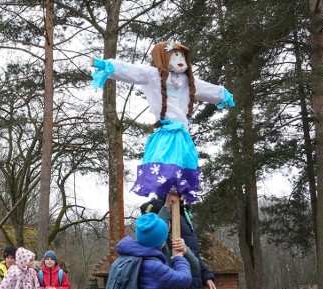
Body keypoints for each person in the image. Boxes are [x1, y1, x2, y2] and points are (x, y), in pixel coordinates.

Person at [90, 41, 234, 204]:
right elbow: (132, 71)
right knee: (164, 165)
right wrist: (108, 65)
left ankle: (177, 195)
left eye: (181, 55)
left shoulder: (188, 81)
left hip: (182, 134)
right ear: (163, 57)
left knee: (184, 164)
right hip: (166, 133)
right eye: (175, 55)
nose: (179, 59)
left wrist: (222, 94)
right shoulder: (153, 75)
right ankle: (166, 196)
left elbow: (205, 89)